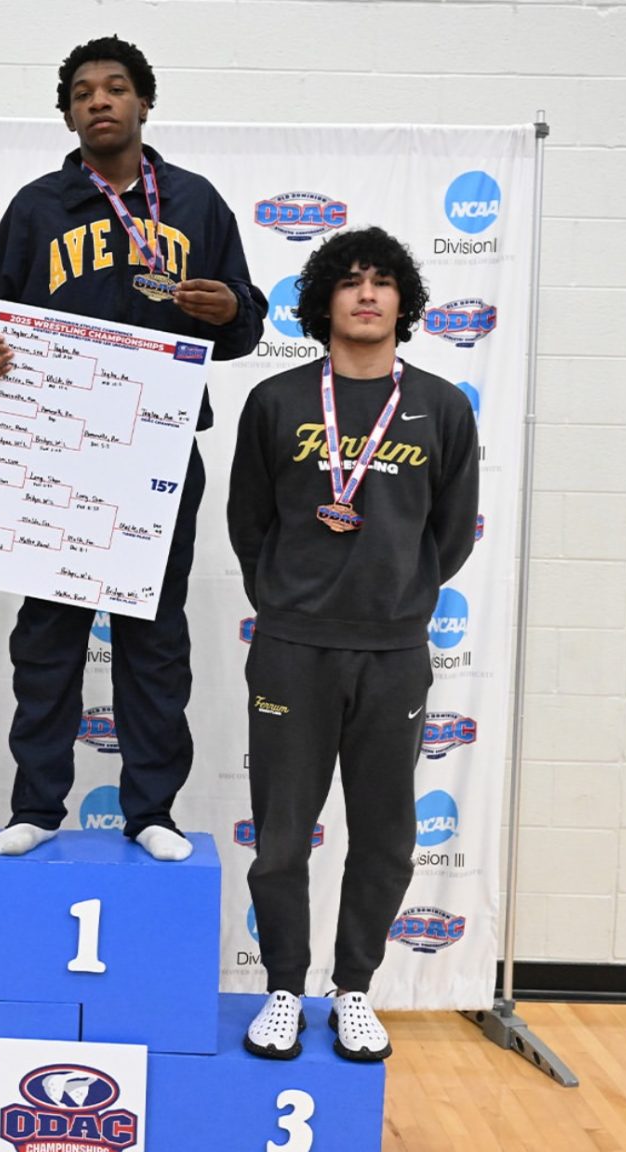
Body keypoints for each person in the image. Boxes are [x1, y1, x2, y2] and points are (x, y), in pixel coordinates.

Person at [0, 35, 267, 862]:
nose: (100, 100)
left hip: (157, 456)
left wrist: (227, 310)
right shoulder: (36, 207)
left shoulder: (196, 204)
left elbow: (248, 325)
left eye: (116, 87)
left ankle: (152, 809)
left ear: (143, 104)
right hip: (55, 451)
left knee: (154, 635)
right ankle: (36, 805)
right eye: (84, 91)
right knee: (47, 634)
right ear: (68, 112)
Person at [227, 226, 479, 1061]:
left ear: (403, 301)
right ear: (323, 300)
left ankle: (356, 988)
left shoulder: (441, 405)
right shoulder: (278, 400)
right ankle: (284, 989)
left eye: (382, 282)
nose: (366, 294)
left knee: (383, 834)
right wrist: (290, 599)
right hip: (294, 645)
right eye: (350, 281)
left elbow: (452, 530)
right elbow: (247, 521)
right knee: (283, 835)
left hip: (394, 649)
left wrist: (400, 595)